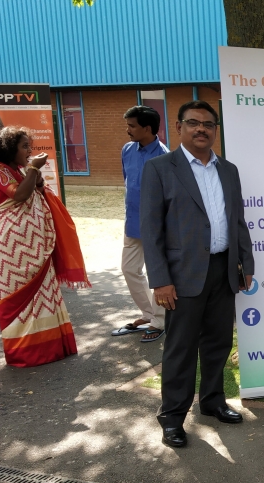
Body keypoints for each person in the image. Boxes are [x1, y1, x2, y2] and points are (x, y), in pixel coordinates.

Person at [141, 100, 255, 448]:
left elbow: (238, 221)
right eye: (193, 123)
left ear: (216, 130)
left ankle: (213, 401)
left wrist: (246, 264)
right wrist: (160, 279)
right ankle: (172, 417)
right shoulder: (160, 168)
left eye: (208, 124)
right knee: (181, 348)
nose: (201, 129)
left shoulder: (229, 170)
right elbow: (151, 229)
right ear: (179, 127)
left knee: (218, 342)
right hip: (182, 274)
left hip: (223, 270)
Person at [0, 127, 89, 367]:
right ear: (10, 148)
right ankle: (28, 353)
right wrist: (33, 170)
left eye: (29, 146)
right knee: (18, 299)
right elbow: (18, 196)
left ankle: (52, 347)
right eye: (24, 147)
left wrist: (35, 176)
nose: (29, 151)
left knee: (44, 292)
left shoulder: (19, 170)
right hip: (9, 248)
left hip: (35, 246)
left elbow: (36, 192)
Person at [111, 106, 169, 343]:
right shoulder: (127, 150)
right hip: (133, 223)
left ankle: (161, 320)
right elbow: (129, 183)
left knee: (158, 274)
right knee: (129, 269)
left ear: (147, 128)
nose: (128, 130)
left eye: (132, 126)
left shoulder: (165, 156)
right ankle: (150, 314)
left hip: (157, 226)